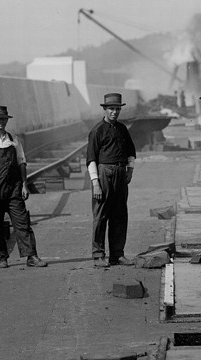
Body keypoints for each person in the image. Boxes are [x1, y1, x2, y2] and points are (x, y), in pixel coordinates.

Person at [0, 106, 47, 268]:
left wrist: (24, 185)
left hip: (14, 189)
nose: (0, 121)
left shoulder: (14, 140)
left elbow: (22, 163)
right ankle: (1, 258)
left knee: (23, 223)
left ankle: (31, 256)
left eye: (3, 118)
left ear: (7, 120)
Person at [86, 93, 137, 268]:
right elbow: (91, 159)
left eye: (117, 109)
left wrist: (130, 169)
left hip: (121, 174)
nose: (114, 112)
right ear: (105, 109)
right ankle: (98, 255)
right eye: (111, 109)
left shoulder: (122, 129)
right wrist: (95, 183)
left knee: (120, 215)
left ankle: (117, 254)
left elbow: (131, 150)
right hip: (103, 174)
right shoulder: (97, 130)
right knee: (100, 216)